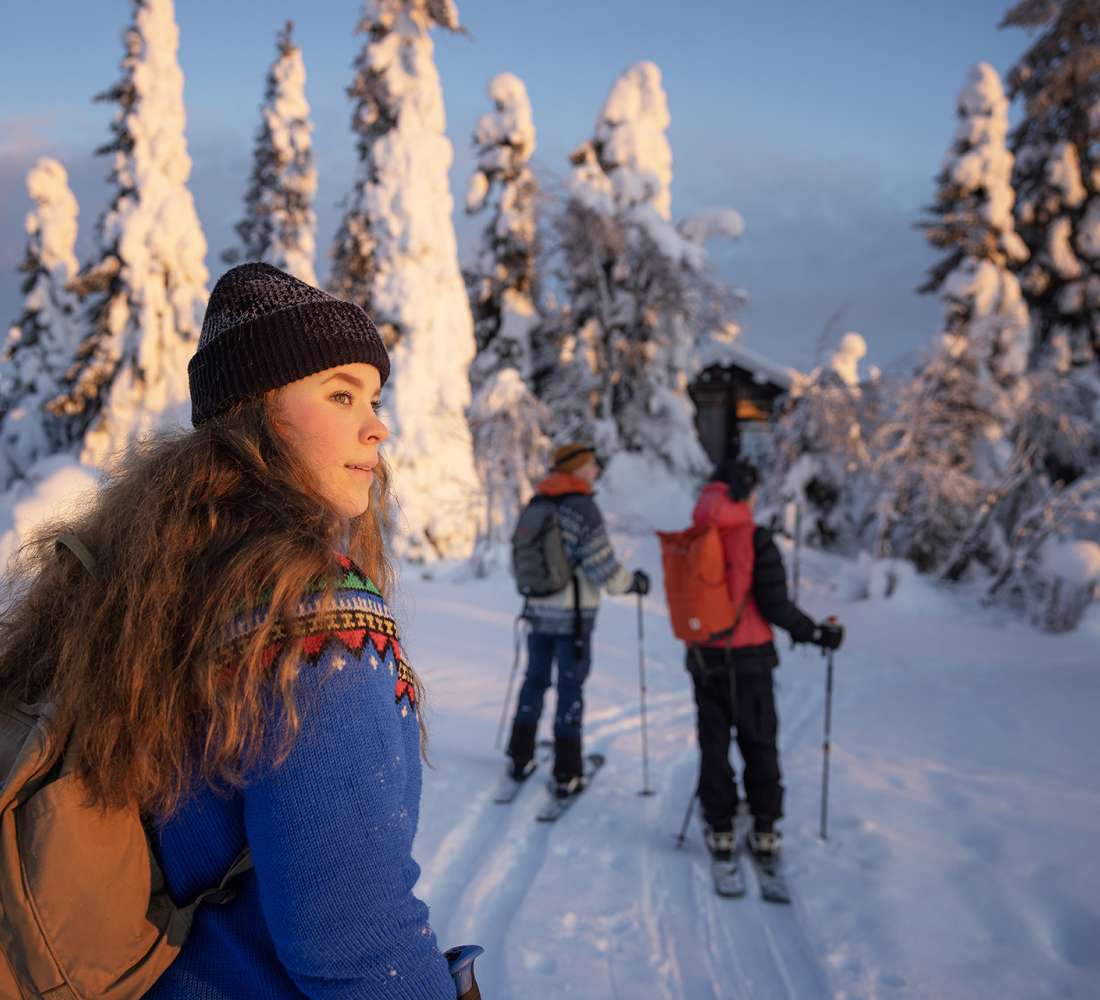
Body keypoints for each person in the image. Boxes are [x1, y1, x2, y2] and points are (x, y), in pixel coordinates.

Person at [0, 263, 458, 998]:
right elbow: (355, 943)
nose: (377, 424)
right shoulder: (313, 620)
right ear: (255, 413)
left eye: (373, 397)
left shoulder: (157, 581)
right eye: (340, 394)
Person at [687, 457, 843, 860]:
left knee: (714, 741)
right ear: (745, 493)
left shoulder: (696, 533)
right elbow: (774, 606)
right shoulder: (753, 538)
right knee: (758, 742)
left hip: (704, 658)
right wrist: (814, 632)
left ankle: (720, 826)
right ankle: (764, 827)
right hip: (750, 661)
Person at [506, 443, 649, 795]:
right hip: (573, 621)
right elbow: (604, 569)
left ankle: (520, 755)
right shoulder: (582, 507)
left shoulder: (538, 502)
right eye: (591, 465)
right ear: (577, 468)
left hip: (538, 612)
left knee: (534, 681)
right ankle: (567, 771)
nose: (596, 470)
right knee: (570, 688)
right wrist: (634, 583)